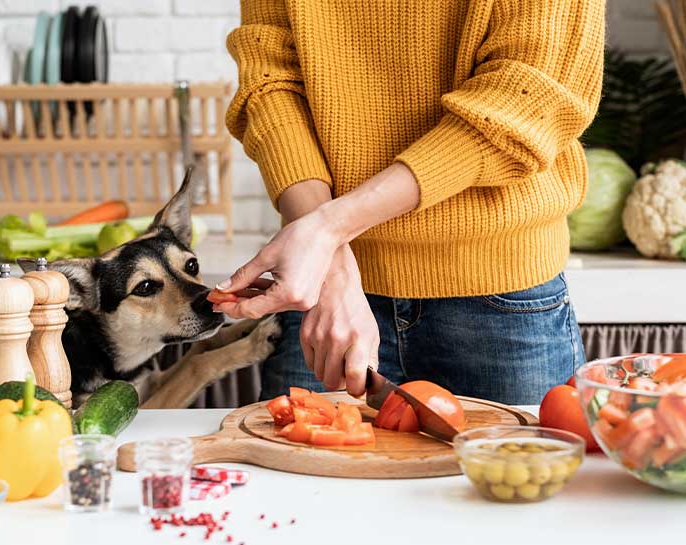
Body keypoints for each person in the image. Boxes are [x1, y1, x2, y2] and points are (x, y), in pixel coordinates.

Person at [215, 0, 605, 405]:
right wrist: (330, 266)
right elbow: (270, 81)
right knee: (293, 466)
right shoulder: (326, 267)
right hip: (322, 292)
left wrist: (327, 231)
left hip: (500, 297)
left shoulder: (324, 237)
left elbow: (527, 97)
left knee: (515, 469)